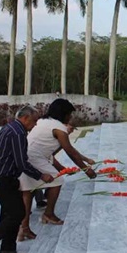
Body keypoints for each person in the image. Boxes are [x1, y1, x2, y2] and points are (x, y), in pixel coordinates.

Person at [0, 105, 54, 253]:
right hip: (1, 178)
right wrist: (41, 176)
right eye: (33, 121)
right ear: (25, 118)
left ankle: (7, 249)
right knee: (18, 213)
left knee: (8, 213)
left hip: (5, 177)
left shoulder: (10, 127)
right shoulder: (18, 133)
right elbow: (22, 163)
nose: (35, 125)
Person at [18, 99, 96, 240]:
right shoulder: (59, 129)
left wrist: (80, 162)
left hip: (25, 157)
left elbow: (53, 153)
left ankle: (24, 228)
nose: (70, 118)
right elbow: (70, 152)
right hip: (34, 158)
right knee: (57, 179)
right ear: (63, 114)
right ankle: (48, 214)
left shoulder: (42, 121)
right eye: (69, 114)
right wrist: (86, 169)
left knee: (27, 191)